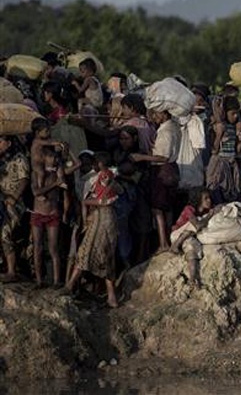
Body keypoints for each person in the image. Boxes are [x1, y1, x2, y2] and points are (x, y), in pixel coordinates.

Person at [64, 151, 119, 308]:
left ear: (99, 163)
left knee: (86, 251)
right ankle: (111, 297)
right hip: (105, 218)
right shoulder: (109, 176)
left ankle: (70, 286)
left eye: (94, 162)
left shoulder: (105, 176)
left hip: (102, 218)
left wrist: (87, 202)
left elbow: (104, 200)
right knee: (105, 256)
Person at [131, 109, 181, 254]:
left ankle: (163, 243)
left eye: (156, 113)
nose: (154, 116)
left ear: (164, 114)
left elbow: (163, 157)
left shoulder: (166, 131)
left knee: (158, 209)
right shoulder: (174, 127)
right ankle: (168, 240)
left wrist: (141, 157)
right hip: (172, 170)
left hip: (162, 170)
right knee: (167, 207)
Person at [30, 146, 73, 287]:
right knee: (37, 247)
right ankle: (39, 280)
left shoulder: (57, 172)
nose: (54, 160)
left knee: (53, 248)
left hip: (52, 214)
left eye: (55, 157)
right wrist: (55, 184)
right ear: (44, 157)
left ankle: (56, 280)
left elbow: (64, 185)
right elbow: (36, 192)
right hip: (38, 213)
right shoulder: (37, 173)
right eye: (51, 157)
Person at [170, 189, 218, 288]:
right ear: (198, 200)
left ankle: (193, 279)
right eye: (206, 198)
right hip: (177, 235)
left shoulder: (205, 210)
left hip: (187, 237)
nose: (209, 200)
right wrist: (209, 216)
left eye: (209, 198)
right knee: (197, 222)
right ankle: (176, 244)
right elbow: (198, 226)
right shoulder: (189, 209)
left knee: (192, 248)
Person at [0, 135, 30, 282]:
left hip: (14, 202)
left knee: (5, 234)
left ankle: (12, 271)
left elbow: (24, 180)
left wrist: (14, 197)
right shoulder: (2, 160)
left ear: (9, 143)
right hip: (1, 200)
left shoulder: (19, 158)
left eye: (0, 142)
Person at [207, 96, 241, 203]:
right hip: (219, 166)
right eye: (233, 113)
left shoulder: (234, 127)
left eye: (237, 113)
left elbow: (237, 152)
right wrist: (219, 135)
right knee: (218, 194)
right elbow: (214, 150)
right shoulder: (217, 127)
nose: (236, 116)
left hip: (231, 165)